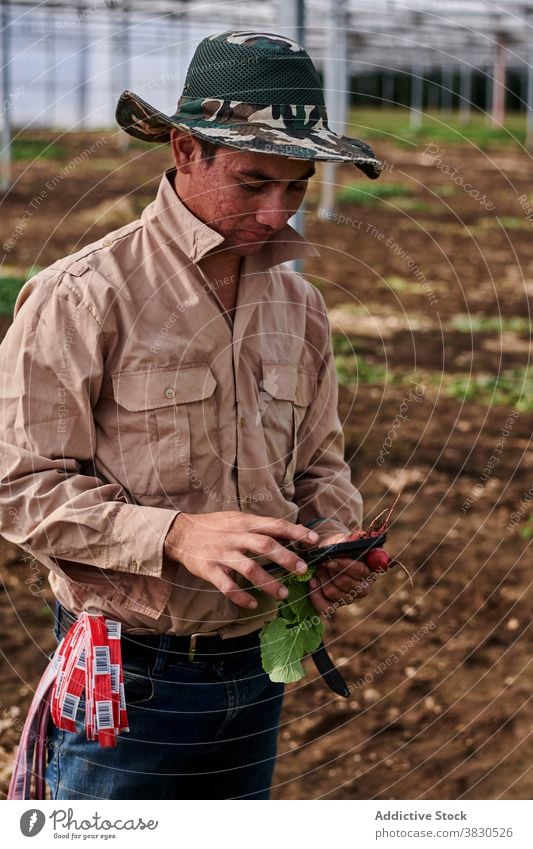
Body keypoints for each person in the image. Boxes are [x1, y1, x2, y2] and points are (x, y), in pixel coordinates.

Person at [0, 30, 384, 800]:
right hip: (131, 670)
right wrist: (174, 533)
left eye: (297, 187)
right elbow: (19, 484)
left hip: (258, 662)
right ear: (183, 149)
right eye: (251, 182)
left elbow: (318, 463)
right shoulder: (84, 294)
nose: (276, 213)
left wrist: (333, 534)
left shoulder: (298, 305)